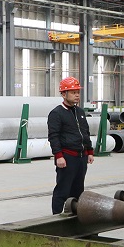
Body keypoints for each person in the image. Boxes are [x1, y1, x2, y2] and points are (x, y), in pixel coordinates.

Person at [48, 77, 94, 214]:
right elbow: (53, 136)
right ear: (64, 94)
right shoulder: (56, 113)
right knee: (63, 190)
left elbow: (85, 132)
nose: (77, 95)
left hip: (81, 157)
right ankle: (56, 218)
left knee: (78, 190)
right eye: (73, 92)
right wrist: (59, 156)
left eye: (78, 92)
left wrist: (89, 151)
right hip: (67, 157)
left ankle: (75, 215)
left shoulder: (80, 112)